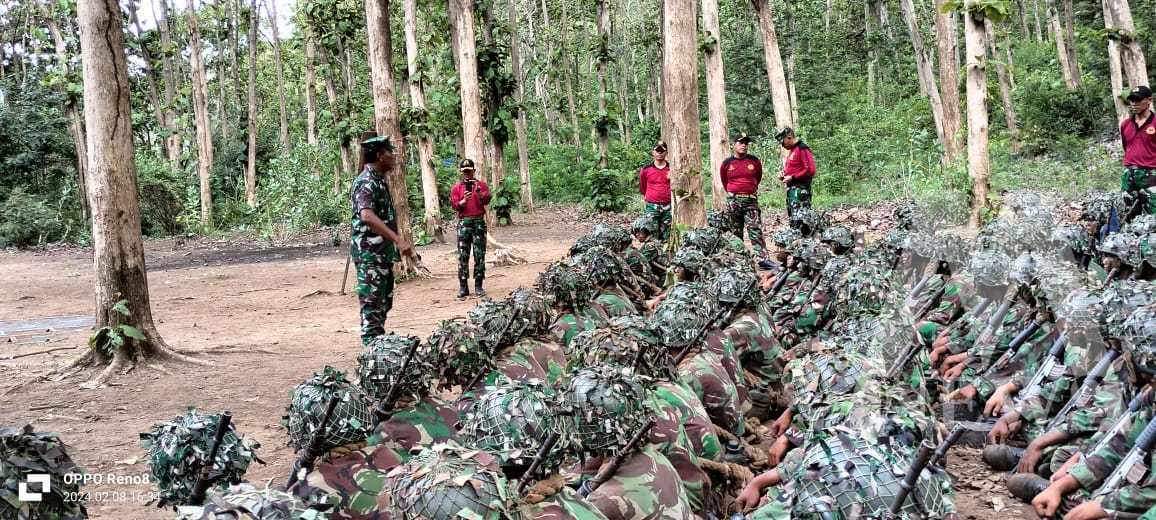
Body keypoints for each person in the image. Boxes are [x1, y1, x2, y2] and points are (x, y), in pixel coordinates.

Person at [350, 134, 414, 346]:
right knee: (372, 310)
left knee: (382, 305)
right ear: (379, 156)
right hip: (370, 256)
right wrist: (398, 239)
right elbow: (366, 216)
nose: (393, 156)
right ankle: (373, 361)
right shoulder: (366, 182)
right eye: (389, 152)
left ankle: (377, 351)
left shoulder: (379, 181)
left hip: (381, 255)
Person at [720, 132, 772, 269]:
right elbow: (724, 181)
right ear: (733, 145)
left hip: (750, 200)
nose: (744, 145)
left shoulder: (754, 161)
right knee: (735, 231)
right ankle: (739, 259)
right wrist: (734, 193)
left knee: (755, 230)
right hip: (734, 200)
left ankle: (763, 260)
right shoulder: (727, 163)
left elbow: (758, 177)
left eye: (746, 143)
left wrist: (749, 189)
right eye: (740, 142)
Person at [449, 159, 491, 298]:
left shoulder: (481, 185)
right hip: (464, 223)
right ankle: (463, 286)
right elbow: (455, 205)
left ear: (474, 170)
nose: (467, 174)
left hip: (478, 222)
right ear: (461, 172)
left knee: (479, 254)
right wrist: (464, 200)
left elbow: (487, 200)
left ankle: (478, 285)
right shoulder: (457, 188)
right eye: (464, 171)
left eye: (469, 171)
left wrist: (479, 193)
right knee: (463, 255)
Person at [1122, 86, 1156, 219]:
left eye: (1137, 100)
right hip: (1129, 173)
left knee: (1153, 214)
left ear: (1149, 100)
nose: (1133, 104)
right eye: (1131, 100)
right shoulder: (1125, 124)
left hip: (1151, 173)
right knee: (1129, 213)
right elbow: (1127, 147)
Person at [775, 127, 816, 220]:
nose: (782, 145)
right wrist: (783, 174)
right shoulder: (792, 151)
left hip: (800, 191)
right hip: (792, 191)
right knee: (793, 219)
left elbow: (810, 169)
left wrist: (793, 177)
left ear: (789, 137)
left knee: (802, 220)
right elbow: (794, 169)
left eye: (782, 142)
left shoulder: (802, 148)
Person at [639, 140, 672, 240]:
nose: (660, 153)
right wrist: (649, 198)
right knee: (651, 232)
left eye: (662, 150)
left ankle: (667, 254)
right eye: (657, 150)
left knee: (667, 233)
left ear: (666, 152)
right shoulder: (646, 169)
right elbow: (642, 186)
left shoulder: (672, 168)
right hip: (652, 206)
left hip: (668, 205)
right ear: (653, 152)